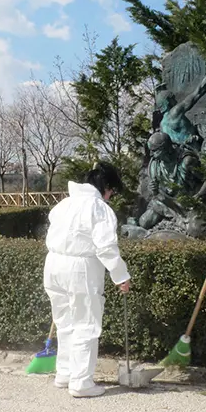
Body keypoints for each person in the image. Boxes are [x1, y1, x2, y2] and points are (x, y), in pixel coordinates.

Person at [44, 162, 131, 398]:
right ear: (106, 187)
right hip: (80, 267)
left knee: (65, 322)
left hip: (53, 264)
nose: (111, 196)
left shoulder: (64, 204)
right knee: (86, 322)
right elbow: (106, 248)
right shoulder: (98, 208)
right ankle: (81, 382)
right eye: (112, 191)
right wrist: (120, 276)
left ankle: (65, 373)